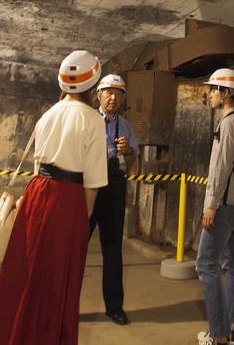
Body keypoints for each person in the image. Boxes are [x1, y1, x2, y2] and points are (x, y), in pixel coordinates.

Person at [0, 50, 108, 345]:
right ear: (93, 84)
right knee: (57, 277)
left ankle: (9, 334)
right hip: (68, 200)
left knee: (24, 270)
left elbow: (39, 165)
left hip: (37, 191)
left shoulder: (48, 114)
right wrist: (82, 219)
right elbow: (92, 182)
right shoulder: (92, 119)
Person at [196, 69, 234, 345]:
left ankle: (218, 336)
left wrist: (211, 205)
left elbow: (222, 166)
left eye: (214, 89)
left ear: (226, 94)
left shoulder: (229, 123)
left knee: (205, 264)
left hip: (224, 204)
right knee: (232, 264)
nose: (211, 94)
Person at [89, 73, 139, 325]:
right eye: (108, 93)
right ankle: (62, 304)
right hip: (89, 186)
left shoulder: (126, 126)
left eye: (117, 94)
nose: (112, 98)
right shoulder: (87, 120)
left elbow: (131, 162)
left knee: (113, 249)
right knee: (76, 246)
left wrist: (127, 150)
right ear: (98, 95)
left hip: (114, 187)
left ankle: (114, 307)